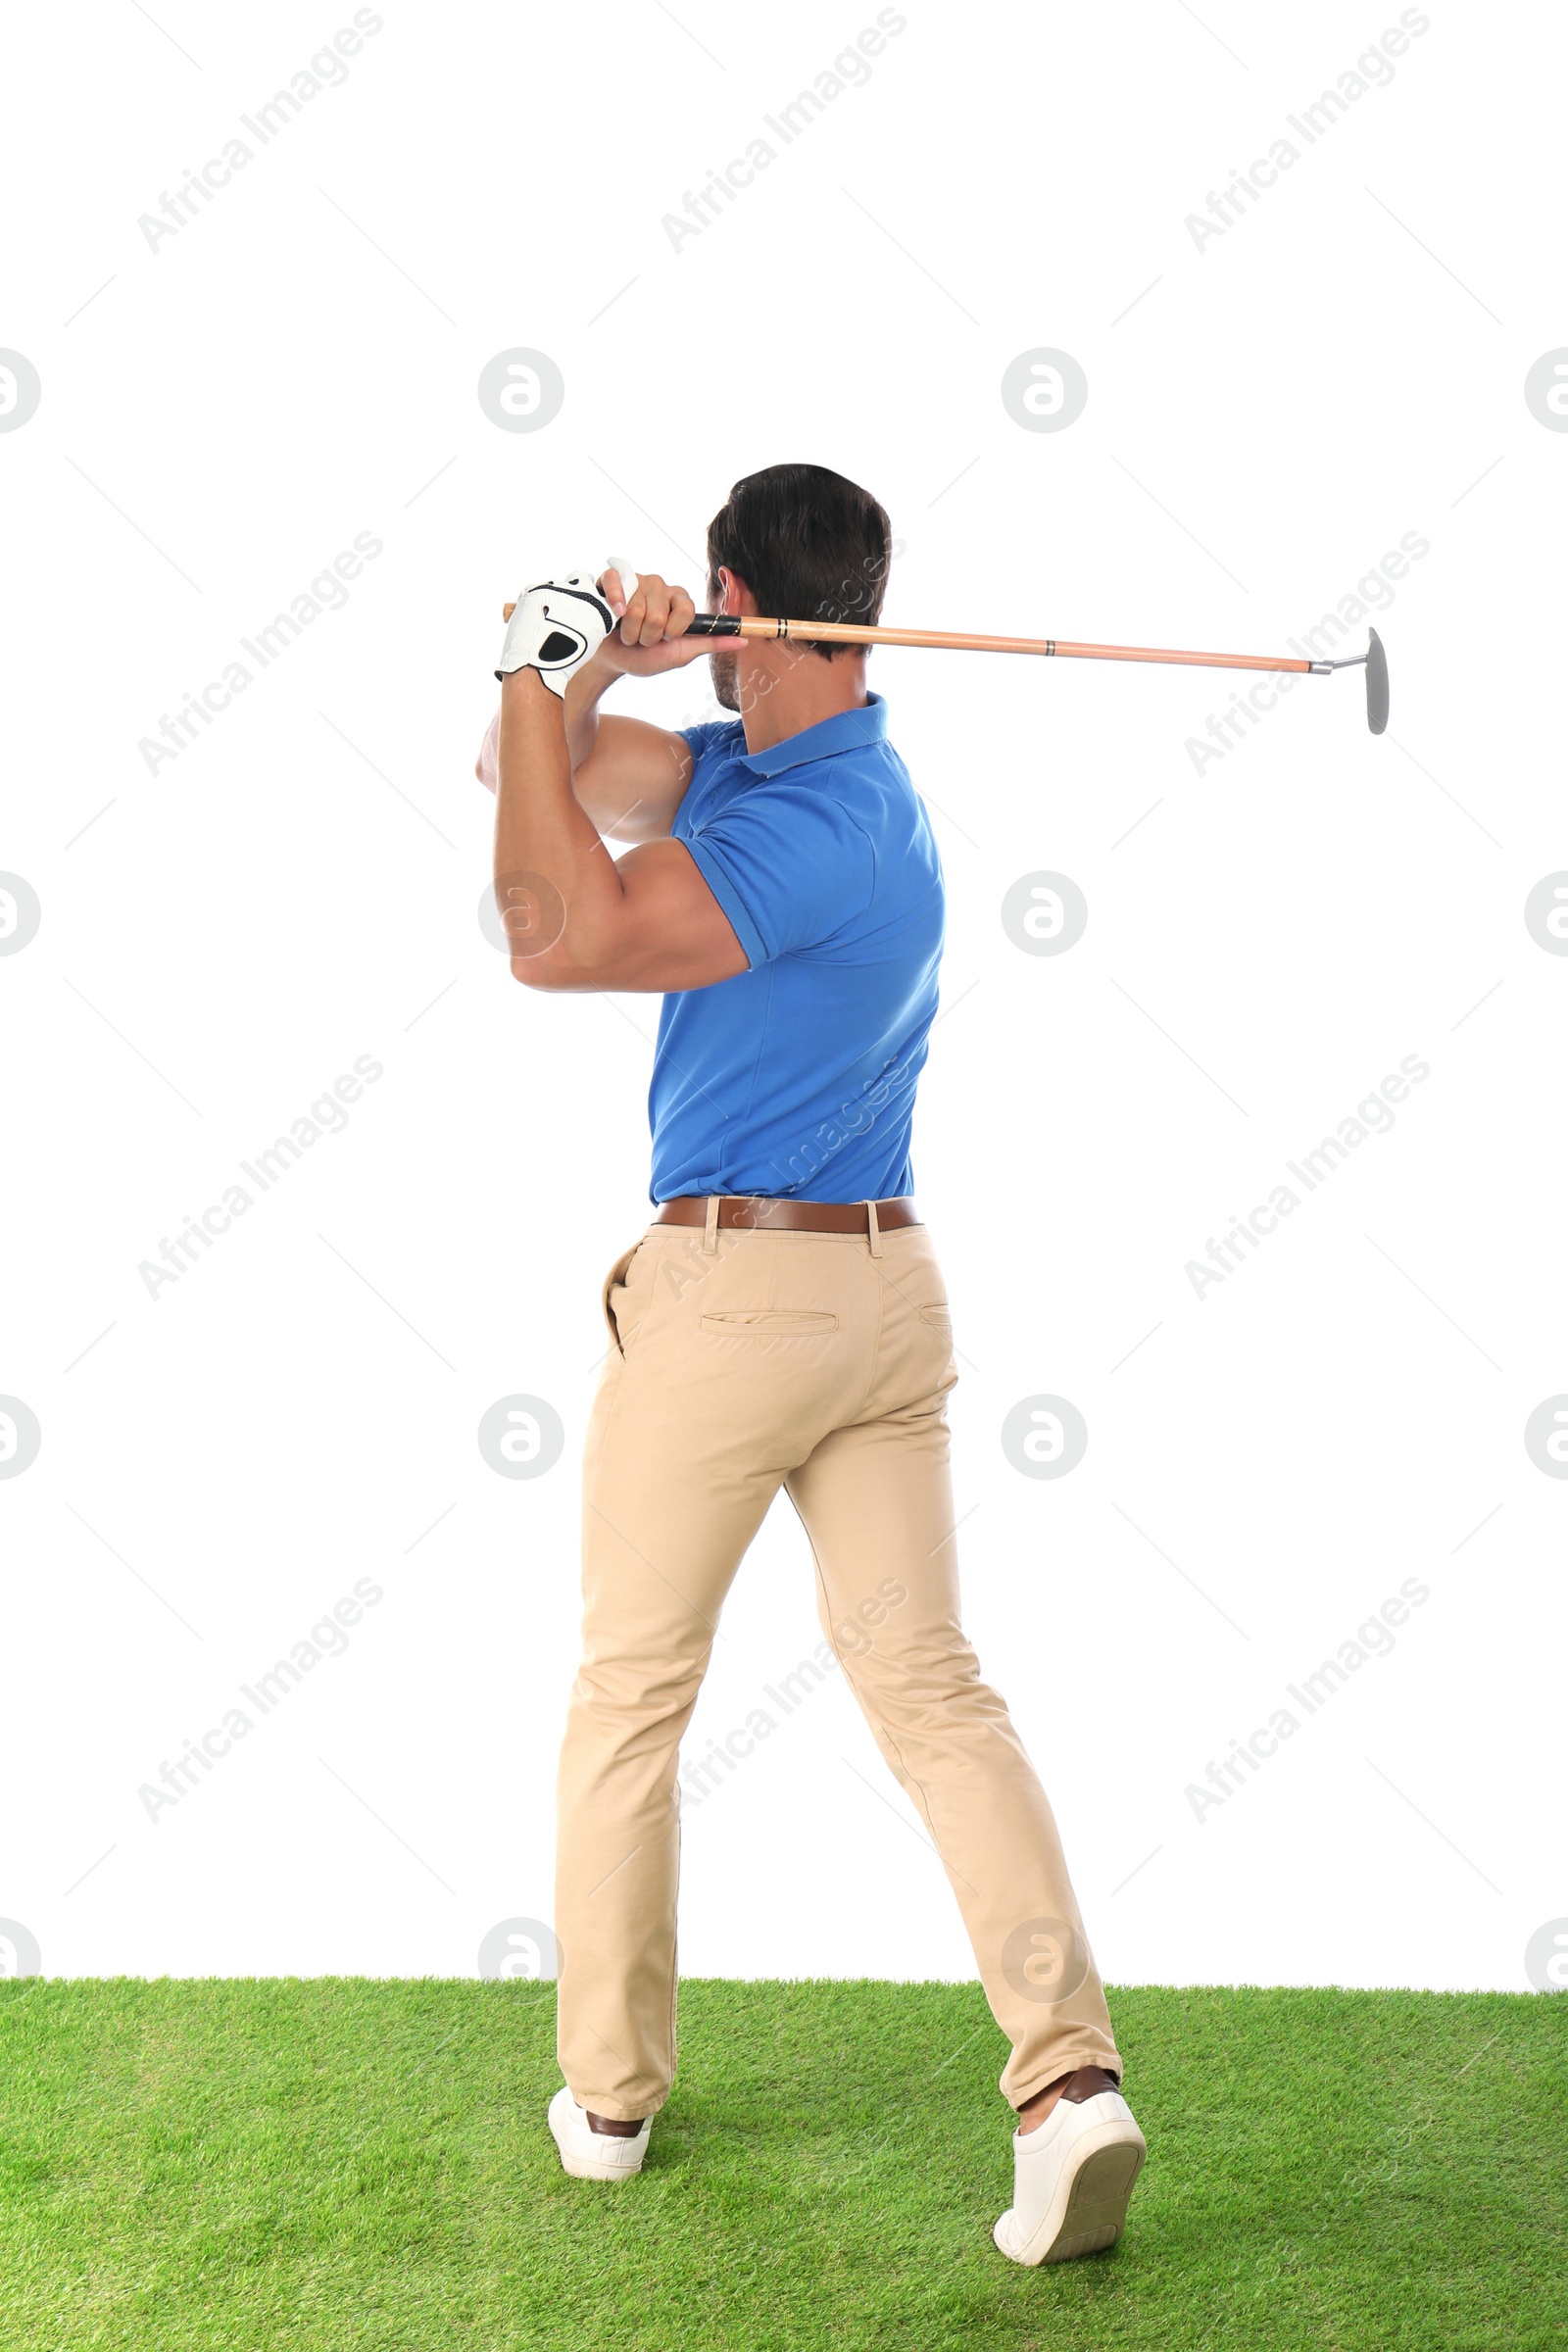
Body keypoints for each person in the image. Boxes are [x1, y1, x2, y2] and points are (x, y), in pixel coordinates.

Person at [475, 464, 1146, 2266]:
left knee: (630, 1694)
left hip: (735, 1303)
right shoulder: (800, 776)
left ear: (737, 602)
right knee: (934, 1692)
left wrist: (537, 679)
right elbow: (527, 791)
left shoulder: (804, 833)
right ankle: (1070, 2085)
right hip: (885, 1299)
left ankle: (607, 2101)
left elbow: (554, 933)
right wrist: (584, 678)